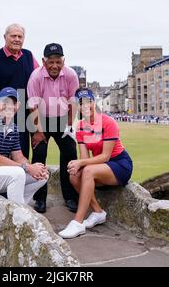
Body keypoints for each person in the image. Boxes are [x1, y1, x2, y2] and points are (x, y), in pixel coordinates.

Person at [58, 88, 133, 239]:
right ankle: (98, 212)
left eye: (89, 102)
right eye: (81, 103)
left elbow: (105, 156)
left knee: (87, 171)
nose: (86, 106)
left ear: (94, 102)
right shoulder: (79, 126)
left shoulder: (107, 121)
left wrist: (81, 163)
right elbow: (84, 157)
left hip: (119, 164)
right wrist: (78, 164)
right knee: (74, 176)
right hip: (100, 166)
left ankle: (78, 223)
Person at [27, 43, 79, 213]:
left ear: (63, 60)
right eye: (51, 62)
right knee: (39, 155)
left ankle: (70, 196)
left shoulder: (71, 74)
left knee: (70, 154)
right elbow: (33, 107)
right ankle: (39, 199)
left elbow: (73, 103)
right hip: (40, 120)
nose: (55, 65)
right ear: (44, 61)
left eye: (58, 61)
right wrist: (38, 132)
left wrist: (70, 127)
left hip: (62, 120)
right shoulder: (35, 77)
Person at [0, 24, 39, 159]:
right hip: (5, 108)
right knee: (3, 152)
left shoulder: (28, 55)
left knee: (22, 150)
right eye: (13, 36)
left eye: (20, 36)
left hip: (25, 109)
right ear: (5, 37)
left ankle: (24, 178)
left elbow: (38, 78)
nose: (17, 39)